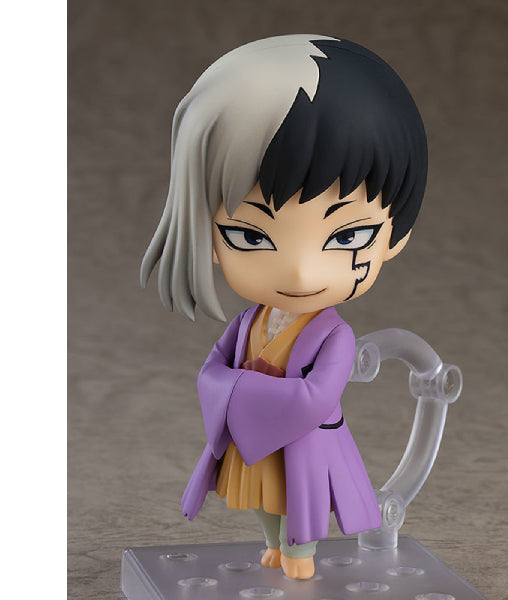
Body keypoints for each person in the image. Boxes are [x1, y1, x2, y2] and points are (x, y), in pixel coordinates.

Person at [141, 34, 428, 579]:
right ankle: (275, 546)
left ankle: (300, 554)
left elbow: (316, 397)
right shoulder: (247, 321)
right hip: (257, 440)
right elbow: (210, 371)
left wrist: (240, 392)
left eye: (348, 236)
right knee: (260, 497)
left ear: (395, 234)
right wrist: (240, 391)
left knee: (300, 501)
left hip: (304, 442)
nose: (299, 273)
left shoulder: (334, 336)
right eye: (251, 236)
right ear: (207, 235)